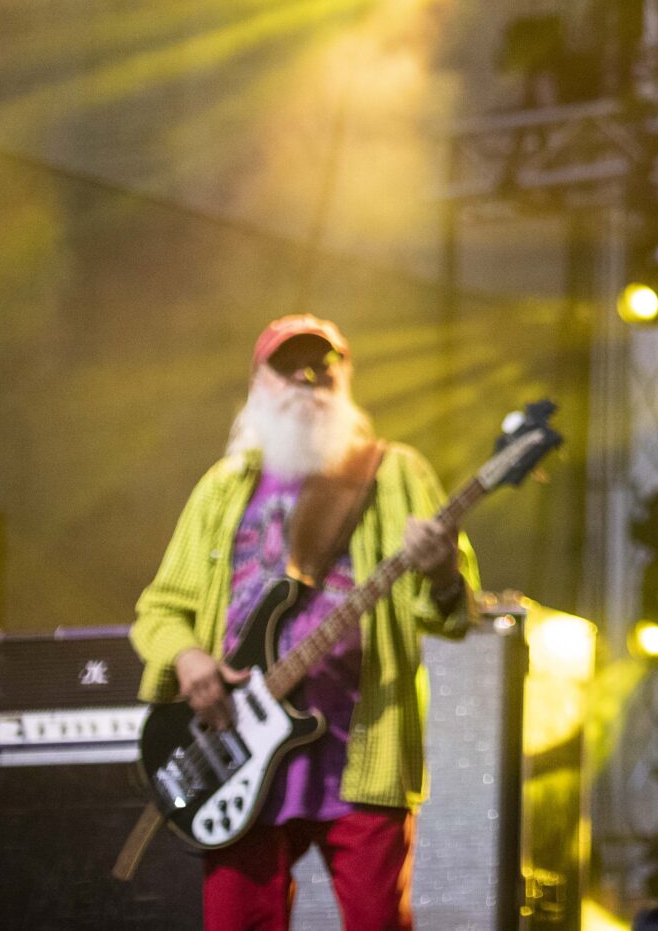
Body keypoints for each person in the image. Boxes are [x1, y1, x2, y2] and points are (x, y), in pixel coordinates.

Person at [132, 315, 478, 931]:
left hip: (361, 749)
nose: (306, 378)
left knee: (378, 922)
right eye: (288, 367)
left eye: (322, 366)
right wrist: (188, 658)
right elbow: (162, 607)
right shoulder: (221, 489)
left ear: (346, 379)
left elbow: (451, 610)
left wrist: (443, 571)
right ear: (257, 383)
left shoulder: (395, 473)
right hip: (237, 750)